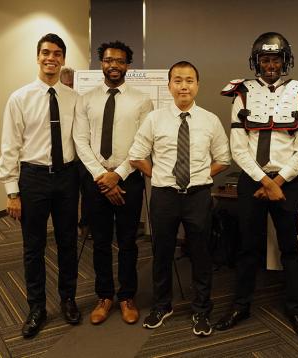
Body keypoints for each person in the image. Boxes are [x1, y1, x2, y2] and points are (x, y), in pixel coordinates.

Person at [215, 32, 298, 339]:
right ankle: (241, 305)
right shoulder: (242, 93)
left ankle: (296, 308)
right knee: (247, 247)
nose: (270, 65)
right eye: (265, 59)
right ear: (256, 62)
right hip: (253, 181)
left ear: (285, 61)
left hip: (288, 182)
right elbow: (238, 145)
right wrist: (263, 180)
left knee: (290, 248)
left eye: (276, 59)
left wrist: (279, 181)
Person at [129, 61, 230, 336]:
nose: (183, 86)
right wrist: (159, 174)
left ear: (197, 85)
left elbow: (223, 159)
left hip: (198, 195)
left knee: (200, 253)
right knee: (161, 252)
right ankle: (162, 305)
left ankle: (201, 310)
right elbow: (136, 155)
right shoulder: (155, 119)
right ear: (169, 85)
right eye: (177, 80)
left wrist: (200, 175)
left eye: (189, 80)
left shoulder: (210, 120)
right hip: (164, 195)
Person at [0, 33, 81, 338]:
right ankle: (36, 308)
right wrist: (12, 191)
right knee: (33, 247)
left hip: (67, 177)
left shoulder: (74, 99)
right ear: (38, 57)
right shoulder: (20, 98)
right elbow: (9, 146)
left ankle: (68, 298)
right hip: (32, 178)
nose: (51, 58)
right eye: (46, 53)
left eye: (57, 54)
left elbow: (79, 142)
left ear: (62, 59)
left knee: (68, 241)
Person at [73, 41, 153, 325]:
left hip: (128, 179)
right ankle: (104, 296)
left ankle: (127, 296)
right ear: (101, 64)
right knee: (101, 242)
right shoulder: (86, 99)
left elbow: (142, 145)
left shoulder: (142, 101)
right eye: (108, 60)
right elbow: (80, 141)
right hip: (96, 180)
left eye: (120, 61)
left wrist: (117, 175)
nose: (114, 65)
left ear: (127, 65)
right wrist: (101, 176)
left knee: (129, 241)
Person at [60, 67, 91, 241]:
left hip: (85, 158)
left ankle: (85, 225)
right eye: (66, 84)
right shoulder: (57, 100)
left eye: (72, 84)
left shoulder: (83, 100)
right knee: (70, 196)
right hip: (68, 160)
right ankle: (70, 227)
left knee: (88, 194)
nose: (70, 87)